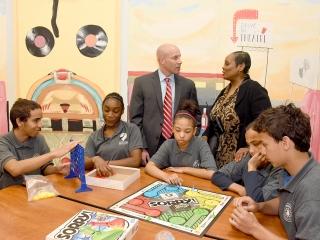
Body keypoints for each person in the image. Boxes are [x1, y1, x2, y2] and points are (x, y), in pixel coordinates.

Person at [230, 104, 320, 240]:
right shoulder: (292, 170)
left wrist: (254, 228)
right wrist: (260, 206)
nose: (263, 151)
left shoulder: (312, 195)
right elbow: (287, 203)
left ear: (285, 143)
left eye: (265, 145)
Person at [130, 43, 199, 165]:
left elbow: (195, 116)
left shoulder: (187, 85)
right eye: (175, 58)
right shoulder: (142, 83)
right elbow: (135, 119)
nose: (180, 61)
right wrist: (142, 148)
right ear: (162, 60)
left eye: (180, 57)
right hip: (150, 148)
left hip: (181, 147)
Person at [203, 51, 271, 168]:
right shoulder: (225, 91)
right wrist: (205, 136)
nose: (223, 67)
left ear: (240, 67)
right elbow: (215, 118)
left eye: (227, 63)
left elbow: (266, 122)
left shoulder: (254, 90)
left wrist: (249, 146)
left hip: (239, 158)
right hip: (217, 155)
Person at [0, 98, 78, 189]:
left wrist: (56, 169)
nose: (40, 125)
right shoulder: (3, 142)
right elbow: (14, 169)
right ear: (19, 121)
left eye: (40, 120)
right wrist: (53, 154)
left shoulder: (39, 139)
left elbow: (45, 168)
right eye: (36, 120)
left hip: (36, 192)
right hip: (10, 197)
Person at [145, 100, 217, 185]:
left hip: (197, 186)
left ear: (194, 131)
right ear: (172, 129)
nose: (182, 135)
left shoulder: (201, 144)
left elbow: (212, 173)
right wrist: (166, 176)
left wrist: (184, 169)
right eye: (178, 130)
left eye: (187, 131)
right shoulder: (168, 144)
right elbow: (149, 166)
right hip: (176, 186)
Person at [211, 123, 283, 202]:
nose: (251, 150)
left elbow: (258, 198)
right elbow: (217, 175)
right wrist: (240, 189)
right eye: (248, 145)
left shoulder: (279, 167)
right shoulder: (248, 157)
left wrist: (252, 167)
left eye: (256, 144)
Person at [85, 92, 143, 177]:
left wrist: (105, 164)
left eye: (115, 111)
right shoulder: (94, 136)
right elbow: (84, 162)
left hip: (127, 179)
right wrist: (95, 159)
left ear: (122, 111)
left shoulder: (132, 129)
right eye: (106, 110)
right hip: (103, 179)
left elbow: (136, 161)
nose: (110, 115)